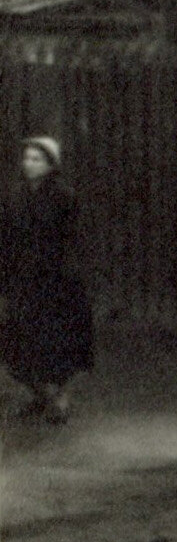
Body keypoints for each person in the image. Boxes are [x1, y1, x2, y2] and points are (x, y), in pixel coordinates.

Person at [4, 136, 95, 424]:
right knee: (18, 339)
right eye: (27, 158)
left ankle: (59, 398)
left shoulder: (63, 197)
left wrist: (65, 273)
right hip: (22, 279)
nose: (29, 164)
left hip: (55, 280)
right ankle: (39, 395)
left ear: (50, 165)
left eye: (36, 159)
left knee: (55, 341)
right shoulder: (16, 198)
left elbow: (70, 240)